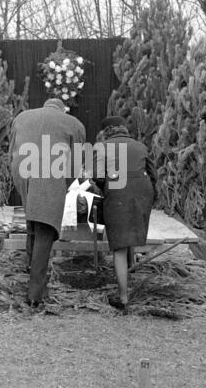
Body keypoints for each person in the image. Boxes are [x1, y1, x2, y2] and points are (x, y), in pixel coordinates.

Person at [9, 98, 86, 307]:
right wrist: (63, 185)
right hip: (51, 173)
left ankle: (30, 268)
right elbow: (76, 164)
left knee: (33, 220)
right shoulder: (74, 124)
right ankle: (35, 294)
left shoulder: (22, 117)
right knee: (45, 229)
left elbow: (11, 151)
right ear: (62, 109)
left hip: (23, 170)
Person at [92, 116, 158, 313]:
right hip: (142, 192)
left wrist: (106, 189)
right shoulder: (140, 146)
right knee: (130, 236)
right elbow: (153, 174)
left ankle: (123, 298)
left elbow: (97, 175)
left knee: (119, 246)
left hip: (118, 193)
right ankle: (130, 273)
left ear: (106, 131)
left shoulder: (102, 147)